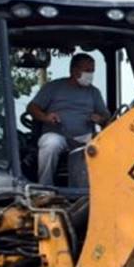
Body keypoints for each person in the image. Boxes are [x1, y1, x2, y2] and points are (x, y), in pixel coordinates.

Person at [27, 53, 109, 185]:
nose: (90, 74)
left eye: (92, 71)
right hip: (59, 136)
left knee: (107, 145)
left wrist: (100, 118)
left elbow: (106, 116)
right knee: (50, 144)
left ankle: (100, 189)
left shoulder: (94, 92)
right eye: (87, 70)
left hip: (85, 138)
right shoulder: (53, 87)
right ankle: (44, 189)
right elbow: (32, 108)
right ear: (74, 70)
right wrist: (46, 117)